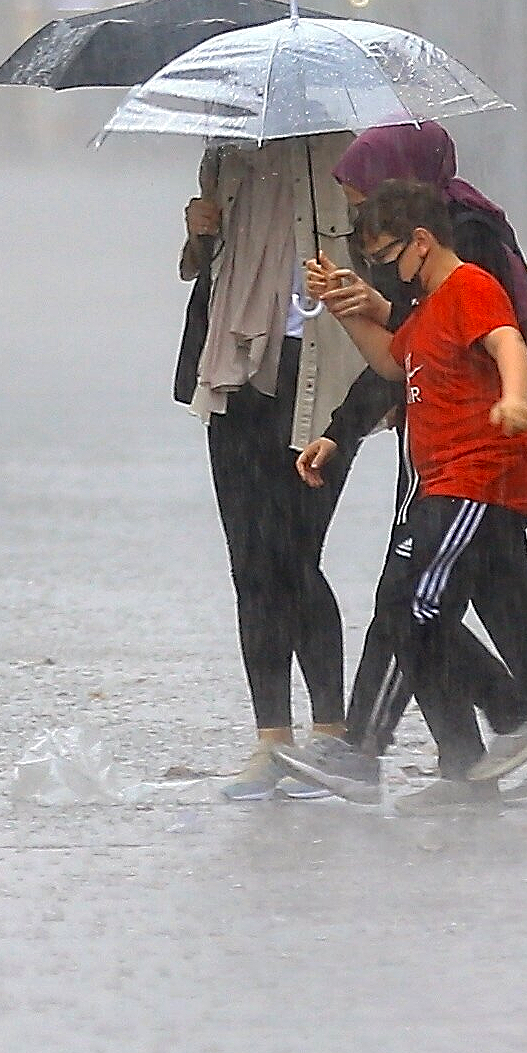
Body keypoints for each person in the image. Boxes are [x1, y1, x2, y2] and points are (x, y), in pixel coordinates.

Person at [283, 178, 527, 812]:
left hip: (475, 479)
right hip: (450, 482)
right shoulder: (426, 307)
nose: (385, 272)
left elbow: (507, 342)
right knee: (463, 610)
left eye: (388, 256)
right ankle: (472, 766)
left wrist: (514, 397)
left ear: (422, 242)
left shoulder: (468, 289)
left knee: (413, 612)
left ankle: (516, 717)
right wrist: (344, 310)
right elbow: (391, 365)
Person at [177, 133, 366, 801]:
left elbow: (388, 267)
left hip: (323, 375)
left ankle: (332, 734)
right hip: (234, 370)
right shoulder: (226, 153)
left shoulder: (348, 156)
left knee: (294, 556)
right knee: (250, 562)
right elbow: (206, 269)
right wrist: (199, 232)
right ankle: (272, 741)